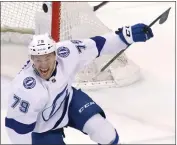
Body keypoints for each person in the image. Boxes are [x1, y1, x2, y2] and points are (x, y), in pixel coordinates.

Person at [5, 23, 153, 144]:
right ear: (32, 59)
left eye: (47, 58)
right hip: (43, 128)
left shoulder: (67, 52)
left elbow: (98, 45)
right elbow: (17, 130)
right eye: (38, 59)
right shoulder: (25, 90)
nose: (43, 65)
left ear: (55, 54)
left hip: (69, 102)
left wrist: (126, 37)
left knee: (105, 132)